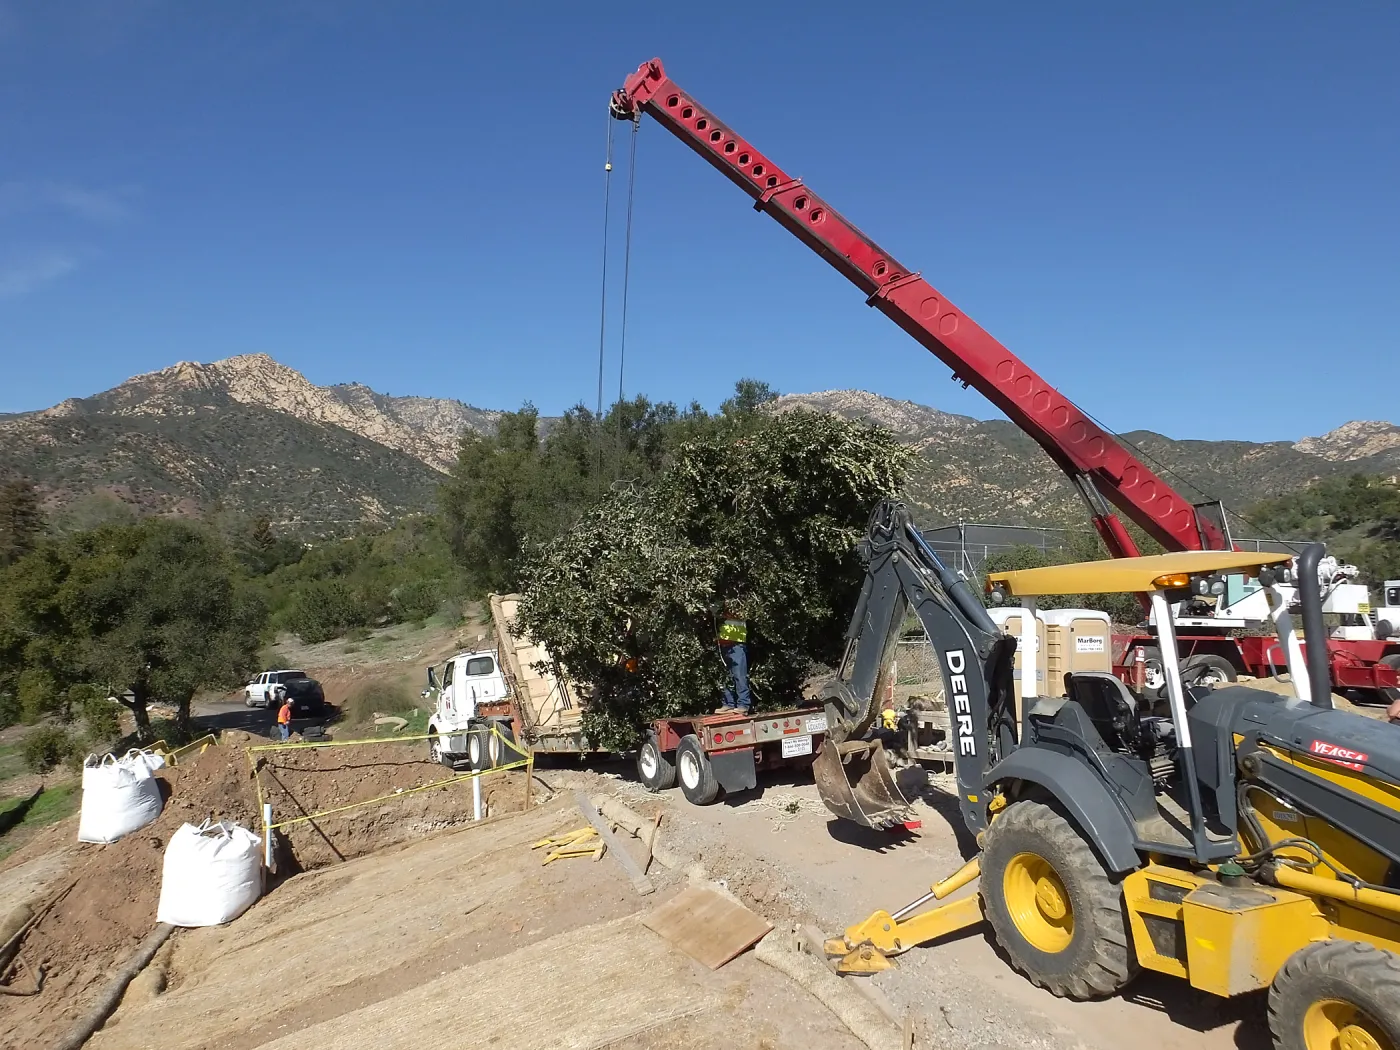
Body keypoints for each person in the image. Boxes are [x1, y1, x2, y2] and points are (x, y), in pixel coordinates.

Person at [713, 602, 752, 714]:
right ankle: (728, 704)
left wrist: (723, 613)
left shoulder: (738, 601)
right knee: (727, 677)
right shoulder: (721, 603)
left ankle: (743, 705)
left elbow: (742, 614)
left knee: (739, 675)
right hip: (724, 644)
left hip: (736, 643)